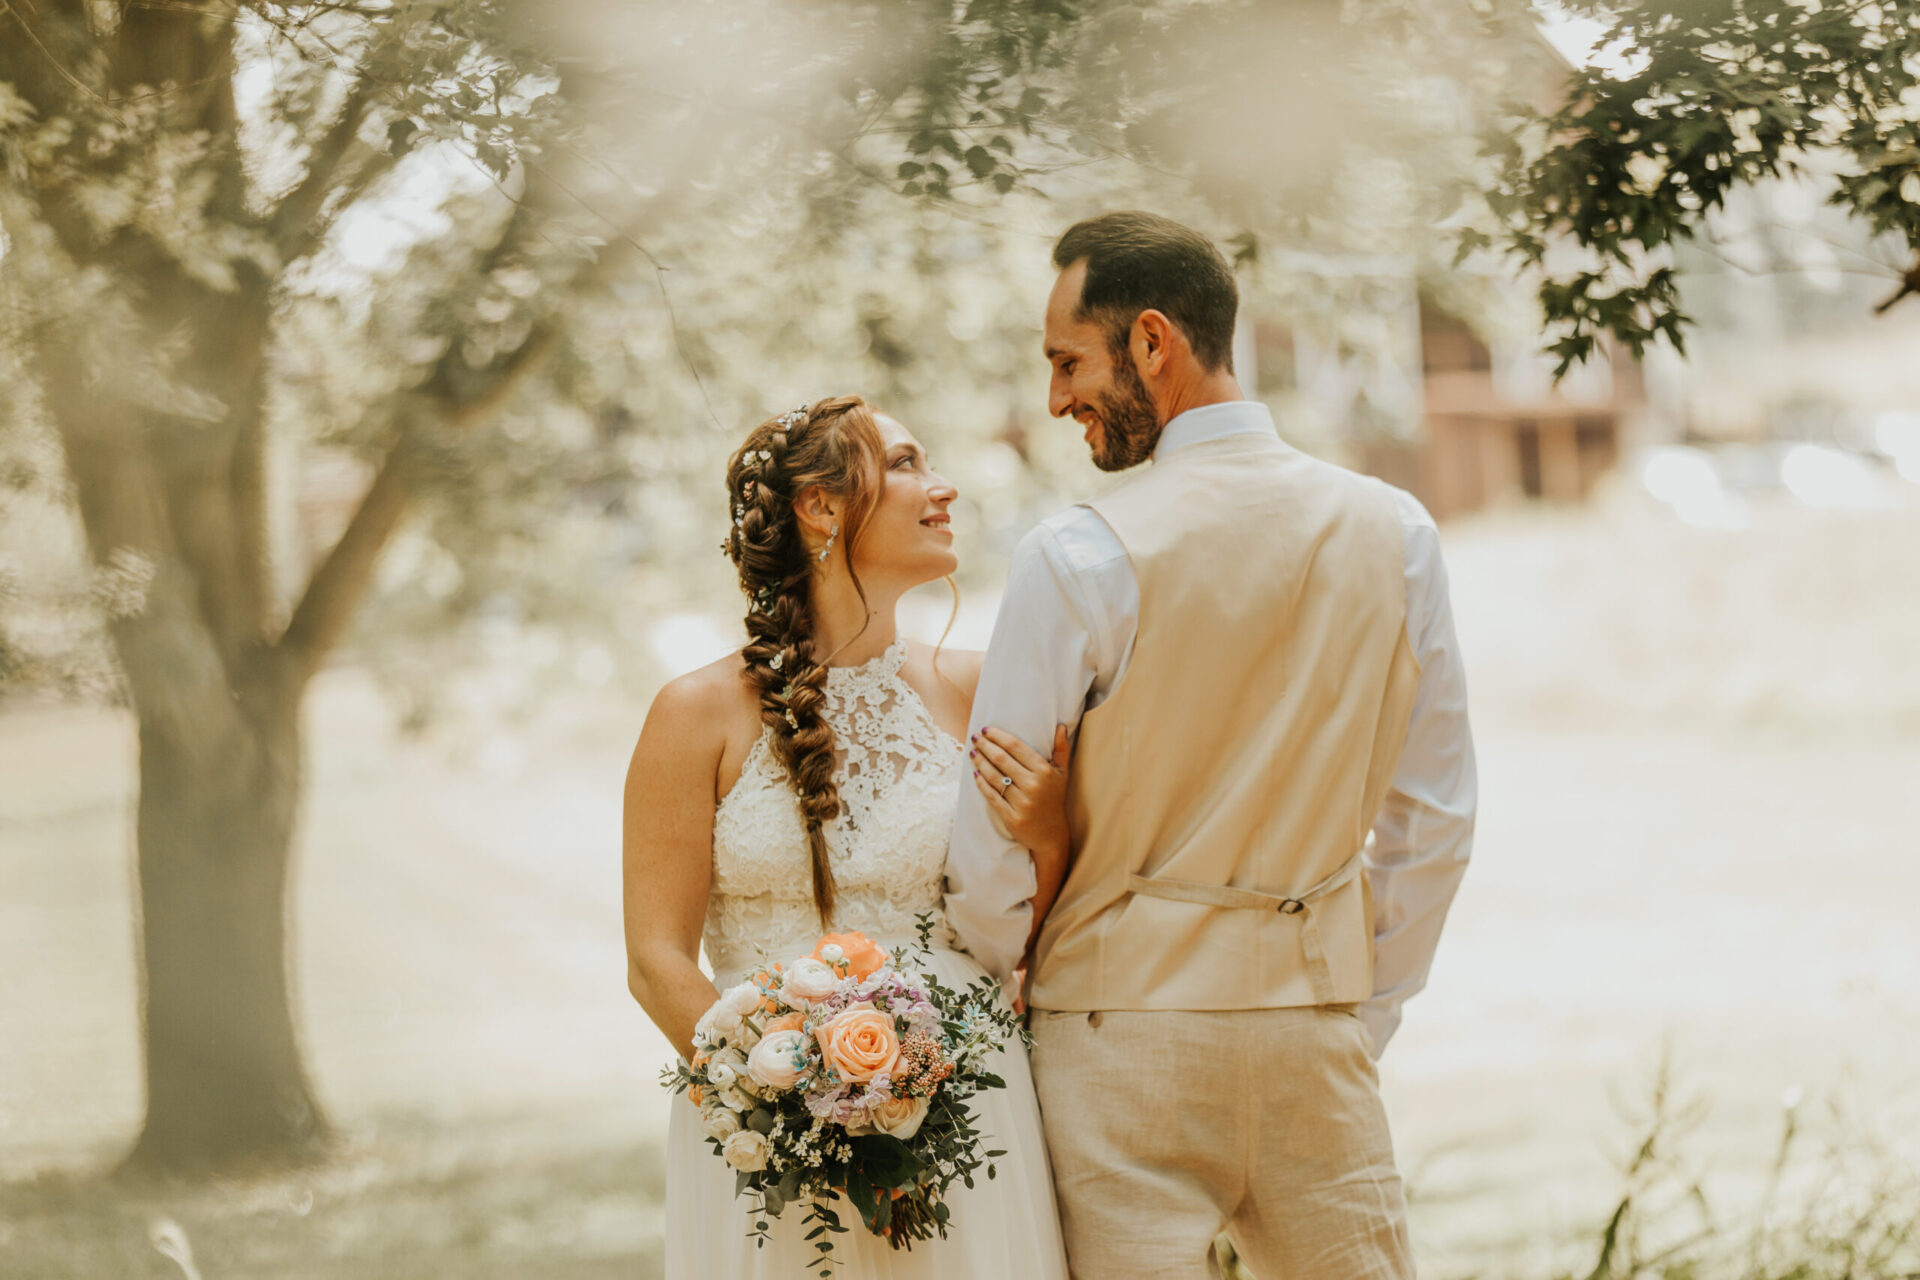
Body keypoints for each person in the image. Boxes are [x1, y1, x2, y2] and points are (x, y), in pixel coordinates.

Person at [945, 210, 1478, 1279]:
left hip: (1112, 1040)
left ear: (1152, 342)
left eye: (1066, 362)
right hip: (1315, 1030)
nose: (1055, 399)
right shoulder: (1398, 533)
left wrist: (1006, 995)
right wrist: (1354, 1013)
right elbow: (1434, 820)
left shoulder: (1078, 554)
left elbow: (990, 855)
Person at [621, 395, 1071, 1278]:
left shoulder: (989, 694)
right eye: (905, 463)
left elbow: (1046, 922)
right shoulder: (695, 716)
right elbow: (655, 960)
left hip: (965, 1103)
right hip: (769, 1131)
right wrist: (779, 1101)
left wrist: (1052, 831)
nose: (942, 488)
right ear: (821, 507)